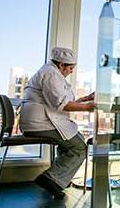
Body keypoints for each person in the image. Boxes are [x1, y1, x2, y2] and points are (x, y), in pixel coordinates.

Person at [19, 47, 94, 199]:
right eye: (71, 68)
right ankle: (50, 178)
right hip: (40, 123)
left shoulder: (52, 73)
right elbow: (62, 104)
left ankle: (58, 181)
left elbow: (64, 102)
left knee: (73, 141)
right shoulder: (51, 74)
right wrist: (87, 106)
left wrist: (85, 99)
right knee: (79, 147)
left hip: (42, 121)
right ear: (61, 64)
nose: (71, 71)